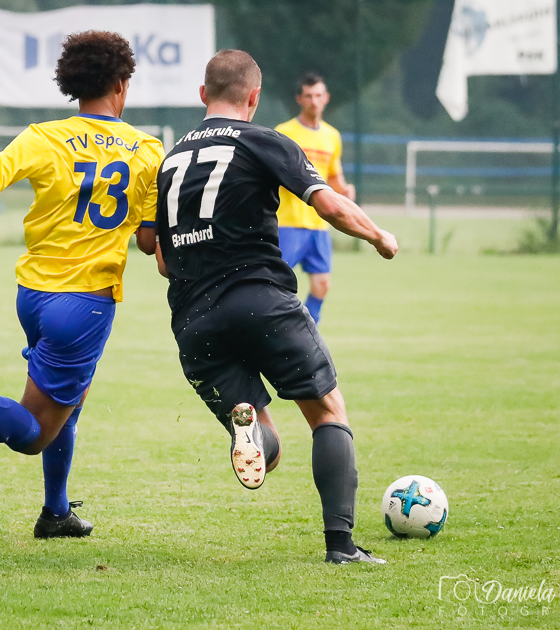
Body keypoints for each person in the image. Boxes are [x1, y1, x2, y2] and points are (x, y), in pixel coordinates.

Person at [0, 31, 163, 539]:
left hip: (34, 296)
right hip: (84, 305)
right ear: (121, 84)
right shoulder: (148, 151)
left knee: (70, 403)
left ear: (73, 84)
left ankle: (56, 513)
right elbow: (149, 243)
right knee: (34, 434)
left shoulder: (43, 136)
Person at [154, 50, 398, 564]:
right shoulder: (262, 139)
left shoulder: (171, 160)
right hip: (259, 299)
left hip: (193, 320)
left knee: (271, 446)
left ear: (202, 95)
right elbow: (328, 204)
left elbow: (158, 257)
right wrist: (379, 235)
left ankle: (251, 433)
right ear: (254, 97)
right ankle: (341, 547)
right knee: (327, 412)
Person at [275, 73, 355, 326]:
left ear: (326, 98)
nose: (314, 101)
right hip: (288, 223)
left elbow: (333, 176)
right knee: (275, 285)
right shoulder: (284, 133)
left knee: (322, 285)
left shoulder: (332, 136)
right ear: (299, 99)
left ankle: (306, 330)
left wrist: (344, 190)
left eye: (318, 95)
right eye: (308, 96)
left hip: (319, 225)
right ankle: (272, 331)